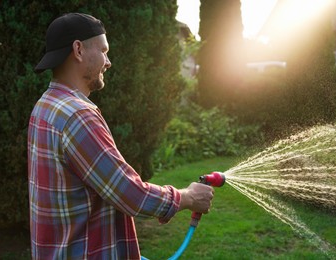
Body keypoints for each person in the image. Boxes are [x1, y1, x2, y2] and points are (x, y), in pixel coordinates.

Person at [28, 13, 214, 260]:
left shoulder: (46, 105)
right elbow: (131, 194)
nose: (108, 62)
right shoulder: (78, 116)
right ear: (78, 50)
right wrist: (188, 197)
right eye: (104, 51)